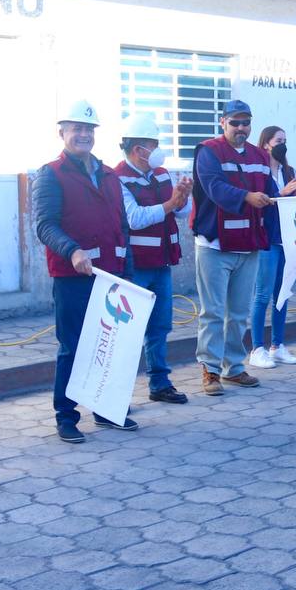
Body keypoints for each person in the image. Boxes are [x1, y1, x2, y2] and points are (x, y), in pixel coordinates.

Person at [33, 99, 138, 443]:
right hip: (73, 277)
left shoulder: (109, 175)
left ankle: (107, 410)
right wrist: (72, 250)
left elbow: (121, 224)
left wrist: (127, 267)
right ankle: (66, 416)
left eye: (89, 129)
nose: (83, 134)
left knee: (110, 345)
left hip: (112, 276)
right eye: (76, 128)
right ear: (61, 132)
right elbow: (45, 226)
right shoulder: (51, 174)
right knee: (74, 347)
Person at [190, 100, 278, 395]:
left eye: (246, 123)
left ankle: (234, 368)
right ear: (223, 122)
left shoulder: (258, 155)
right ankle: (210, 370)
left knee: (238, 312)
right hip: (214, 245)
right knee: (213, 312)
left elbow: (269, 191)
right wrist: (247, 197)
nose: (241, 129)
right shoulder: (208, 151)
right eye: (235, 123)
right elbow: (213, 187)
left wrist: (287, 198)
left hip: (248, 244)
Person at [114, 114, 193, 404]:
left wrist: (183, 198)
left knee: (160, 326)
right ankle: (118, 393)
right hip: (135, 266)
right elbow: (133, 218)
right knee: (130, 331)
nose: (157, 150)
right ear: (138, 149)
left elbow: (181, 213)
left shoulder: (161, 173)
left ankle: (160, 384)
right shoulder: (117, 179)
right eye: (153, 144)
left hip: (162, 262)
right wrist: (170, 204)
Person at [248, 125, 296, 369]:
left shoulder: (288, 170)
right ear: (266, 144)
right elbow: (262, 202)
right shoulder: (259, 172)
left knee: (282, 294)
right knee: (262, 294)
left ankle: (278, 345)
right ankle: (256, 348)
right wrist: (282, 193)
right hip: (267, 238)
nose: (282, 144)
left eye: (285, 139)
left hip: (287, 238)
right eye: (278, 140)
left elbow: (290, 205)